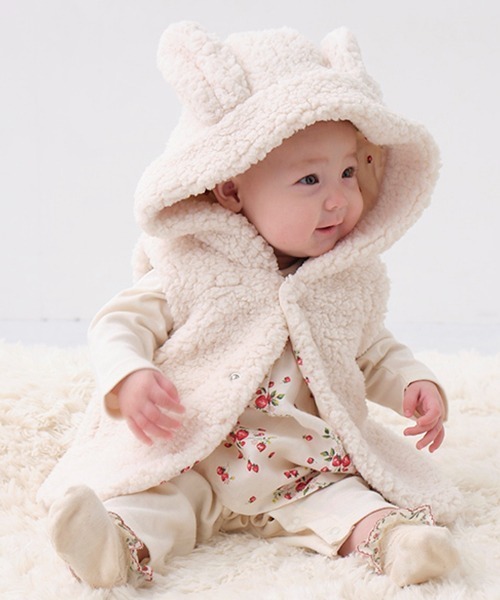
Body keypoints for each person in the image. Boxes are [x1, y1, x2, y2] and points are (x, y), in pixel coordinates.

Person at [38, 21, 462, 589]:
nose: (338, 198)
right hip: (194, 452)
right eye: (309, 179)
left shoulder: (346, 280)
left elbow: (372, 349)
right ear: (231, 189)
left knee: (348, 501)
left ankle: (398, 542)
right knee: (154, 503)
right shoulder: (195, 265)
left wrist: (413, 382)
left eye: (347, 172)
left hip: (300, 465)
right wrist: (130, 374)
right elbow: (120, 322)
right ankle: (110, 547)